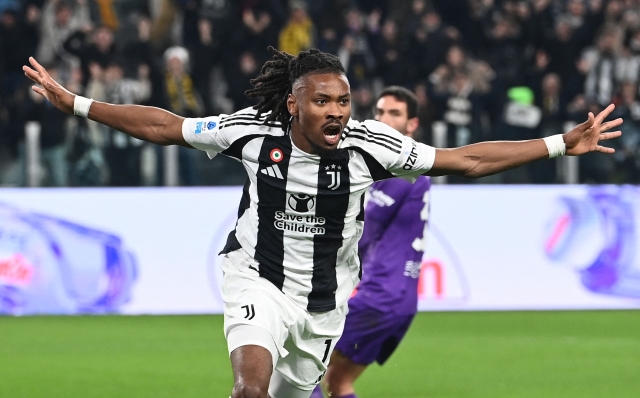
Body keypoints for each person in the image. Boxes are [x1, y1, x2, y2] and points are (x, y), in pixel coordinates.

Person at [24, 46, 622, 398]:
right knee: (249, 389)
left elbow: (464, 160)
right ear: (294, 104)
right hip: (256, 279)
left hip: (324, 304)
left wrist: (558, 144)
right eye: (322, 102)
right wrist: (75, 102)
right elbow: (164, 125)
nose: (336, 112)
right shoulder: (251, 133)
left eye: (343, 102)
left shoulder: (373, 146)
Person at [309, 86, 430, 398]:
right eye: (379, 112)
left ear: (411, 124)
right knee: (337, 382)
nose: (384, 119)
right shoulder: (397, 168)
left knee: (302, 369)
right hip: (398, 299)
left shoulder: (403, 168)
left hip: (380, 297)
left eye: (394, 113)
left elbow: (363, 231)